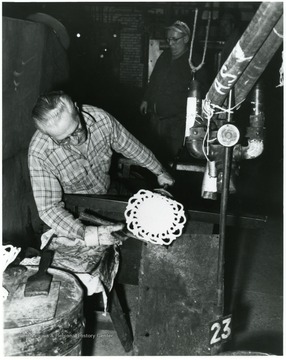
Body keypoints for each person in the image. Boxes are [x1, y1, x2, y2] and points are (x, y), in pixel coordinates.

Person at [28, 91, 174, 248]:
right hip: (72, 210)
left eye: (76, 130)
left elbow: (131, 147)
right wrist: (87, 233)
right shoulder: (40, 153)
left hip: (106, 192)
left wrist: (159, 171)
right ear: (47, 134)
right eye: (63, 140)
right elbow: (49, 209)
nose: (75, 141)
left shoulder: (101, 120)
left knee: (145, 229)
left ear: (77, 109)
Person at [140, 20, 208, 165]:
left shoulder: (194, 61)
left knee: (173, 160)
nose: (170, 43)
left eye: (175, 39)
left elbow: (203, 91)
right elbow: (153, 80)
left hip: (177, 123)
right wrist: (146, 99)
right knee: (154, 158)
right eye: (169, 39)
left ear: (186, 39)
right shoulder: (165, 57)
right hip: (157, 119)